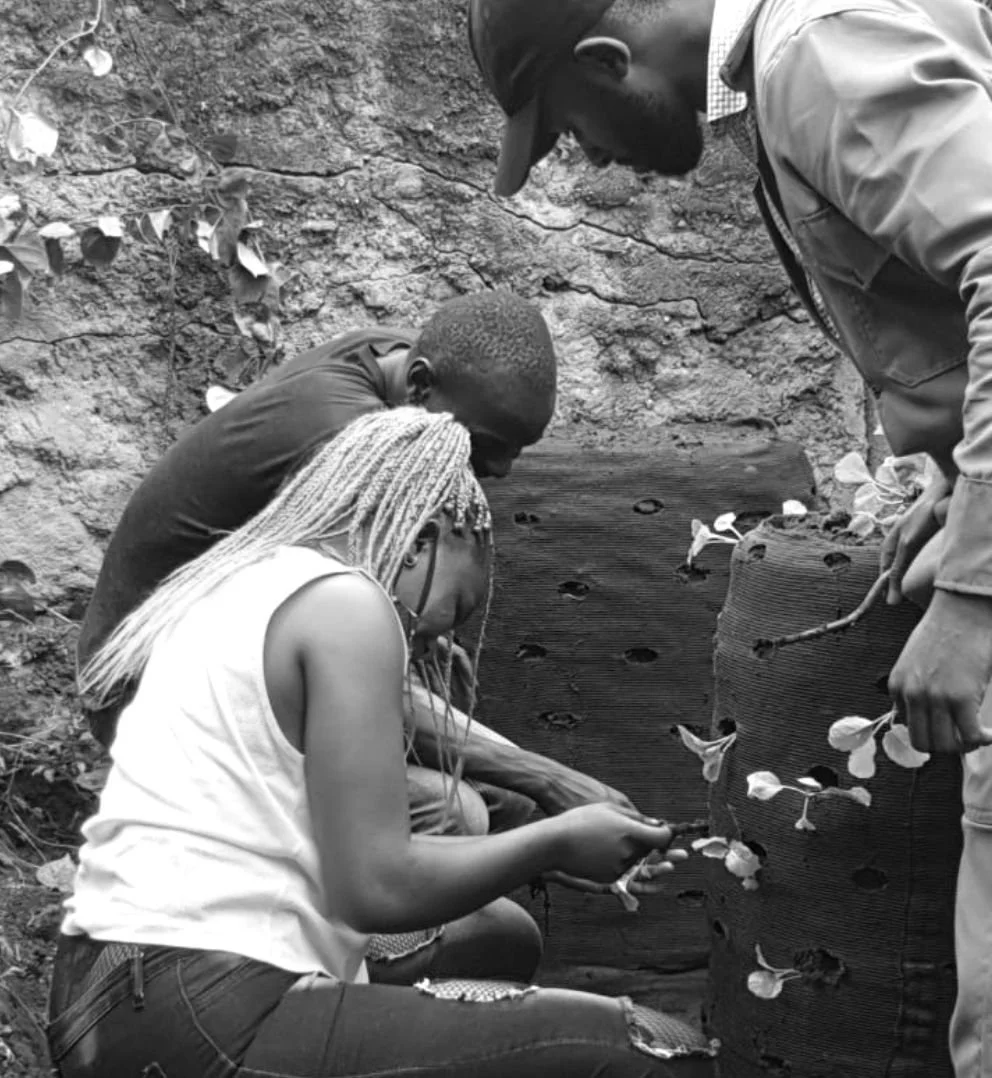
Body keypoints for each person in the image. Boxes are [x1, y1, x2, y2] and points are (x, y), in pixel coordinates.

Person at [468, 0, 992, 1072]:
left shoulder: (819, 53)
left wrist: (971, 594)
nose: (592, 162)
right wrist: (954, 484)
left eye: (568, 128)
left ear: (608, 59)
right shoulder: (802, 59)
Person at [48, 408, 718, 1078]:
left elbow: (335, 853)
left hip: (105, 998)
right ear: (422, 539)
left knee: (494, 936)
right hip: (205, 1014)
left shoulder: (243, 581)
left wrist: (531, 857)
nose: (437, 642)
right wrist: (557, 838)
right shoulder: (347, 604)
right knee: (658, 1050)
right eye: (455, 609)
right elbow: (376, 889)